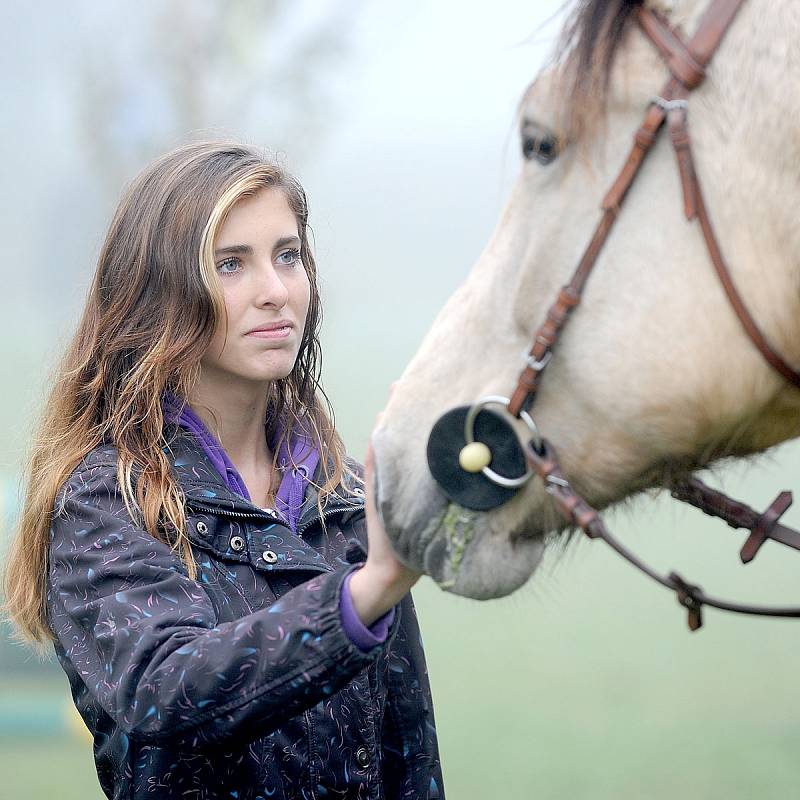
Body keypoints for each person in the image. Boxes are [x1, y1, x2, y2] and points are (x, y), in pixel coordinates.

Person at [2, 140, 444, 800]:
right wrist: (362, 596)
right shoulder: (105, 499)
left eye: (287, 256)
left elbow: (408, 759)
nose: (275, 292)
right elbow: (170, 691)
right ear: (159, 294)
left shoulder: (345, 495)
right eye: (230, 264)